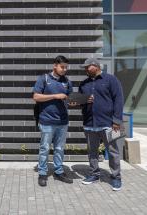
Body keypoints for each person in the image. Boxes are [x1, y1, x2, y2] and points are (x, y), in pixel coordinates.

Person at [79, 58, 124, 191]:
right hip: (89, 123)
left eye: (88, 67)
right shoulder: (83, 84)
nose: (86, 69)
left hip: (109, 124)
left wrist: (117, 121)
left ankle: (116, 177)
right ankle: (94, 174)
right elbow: (79, 102)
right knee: (92, 151)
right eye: (85, 67)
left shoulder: (111, 80)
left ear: (96, 66)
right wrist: (80, 101)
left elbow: (119, 100)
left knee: (113, 151)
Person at [32, 55, 74, 187]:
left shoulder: (67, 81)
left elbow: (69, 98)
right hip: (47, 121)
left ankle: (59, 171)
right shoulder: (43, 79)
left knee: (59, 148)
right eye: (62, 67)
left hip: (62, 121)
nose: (64, 70)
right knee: (44, 148)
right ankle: (43, 173)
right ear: (55, 65)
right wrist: (55, 96)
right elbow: (36, 97)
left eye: (66, 67)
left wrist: (73, 102)